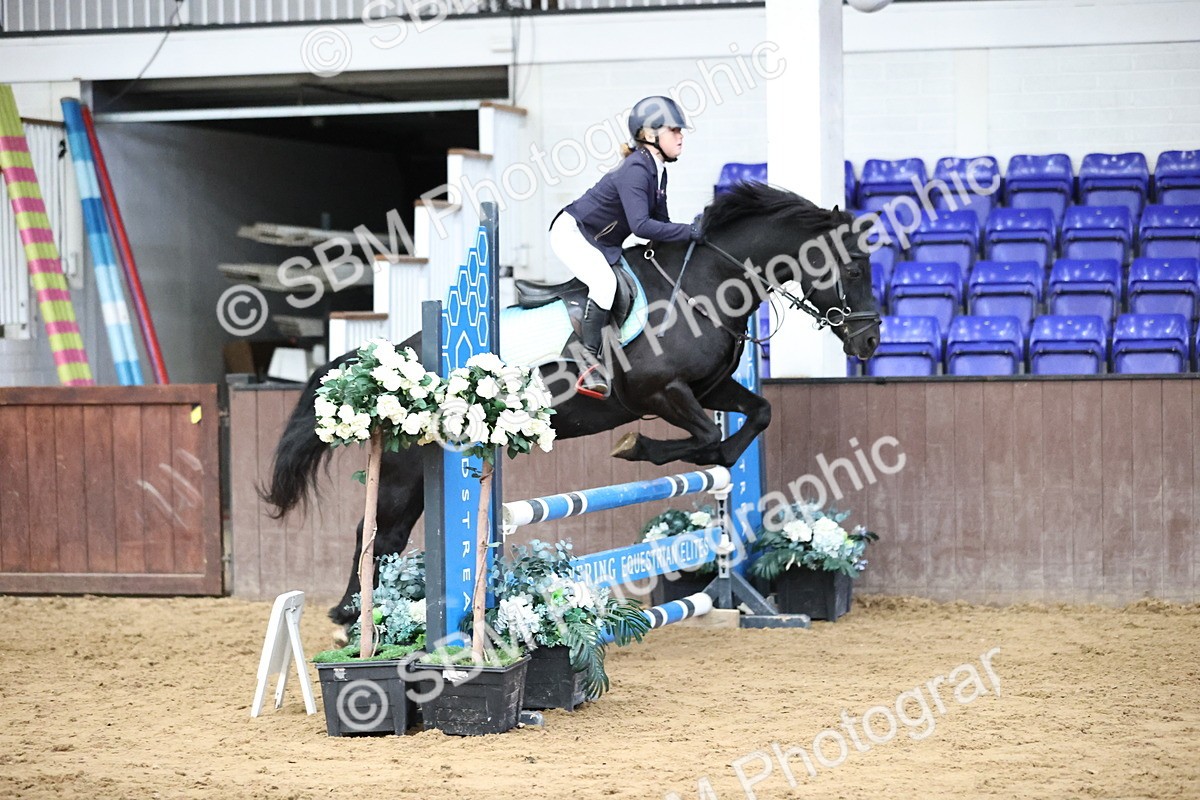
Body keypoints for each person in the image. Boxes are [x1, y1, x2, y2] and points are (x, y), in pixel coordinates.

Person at [549, 95, 704, 397]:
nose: (680, 136)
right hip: (571, 233)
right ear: (650, 135)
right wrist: (689, 231)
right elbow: (641, 226)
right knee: (605, 283)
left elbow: (661, 225)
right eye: (674, 130)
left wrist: (693, 240)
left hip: (598, 241)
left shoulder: (658, 171)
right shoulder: (636, 168)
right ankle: (587, 363)